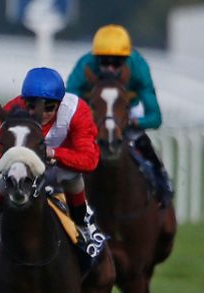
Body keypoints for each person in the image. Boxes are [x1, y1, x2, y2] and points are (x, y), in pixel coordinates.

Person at [0, 67, 100, 246]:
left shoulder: (77, 111)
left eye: (49, 108)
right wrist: (15, 155)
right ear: (24, 102)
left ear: (60, 104)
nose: (43, 113)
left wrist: (54, 153)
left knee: (74, 178)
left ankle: (82, 225)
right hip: (26, 170)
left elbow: (90, 160)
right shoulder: (12, 111)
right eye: (32, 106)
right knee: (10, 175)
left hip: (63, 167)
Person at [67, 24, 172, 207]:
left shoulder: (139, 67)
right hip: (93, 116)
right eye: (104, 61)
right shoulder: (84, 66)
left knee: (142, 142)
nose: (109, 68)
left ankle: (162, 184)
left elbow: (155, 117)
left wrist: (134, 121)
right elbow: (67, 105)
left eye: (116, 62)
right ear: (95, 59)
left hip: (126, 113)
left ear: (126, 60)